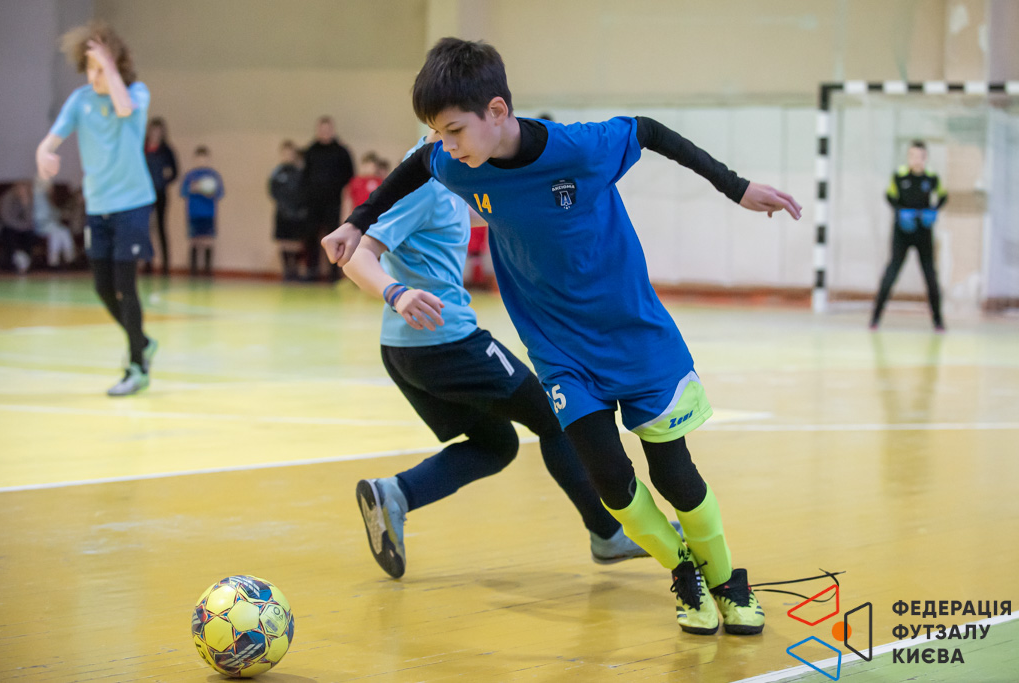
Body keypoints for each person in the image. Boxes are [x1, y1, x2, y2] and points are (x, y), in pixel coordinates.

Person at [324, 38, 802, 636]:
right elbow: (418, 165)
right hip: (559, 352)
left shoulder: (581, 149)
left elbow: (648, 130)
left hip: (635, 336)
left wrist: (734, 186)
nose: (444, 146)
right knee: (611, 484)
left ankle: (728, 580)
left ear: (497, 111)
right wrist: (357, 222)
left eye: (453, 131)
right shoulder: (453, 161)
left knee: (675, 475)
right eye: (438, 134)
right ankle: (685, 573)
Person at [344, 132, 675, 579]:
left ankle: (395, 494)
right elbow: (357, 254)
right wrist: (396, 293)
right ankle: (608, 533)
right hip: (445, 344)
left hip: (412, 349)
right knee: (556, 416)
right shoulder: (423, 184)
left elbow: (489, 212)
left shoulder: (452, 171)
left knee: (495, 445)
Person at [35, 21, 158, 396]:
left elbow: (123, 108)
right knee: (103, 287)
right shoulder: (80, 101)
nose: (94, 76)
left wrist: (109, 65)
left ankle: (137, 367)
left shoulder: (136, 93)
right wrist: (44, 153)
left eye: (101, 68)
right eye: (90, 68)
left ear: (117, 66)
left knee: (126, 286)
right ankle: (142, 341)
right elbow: (51, 139)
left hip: (132, 205)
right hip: (98, 207)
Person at [870, 141, 948, 331]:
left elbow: (943, 196)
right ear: (908, 157)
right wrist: (900, 212)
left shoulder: (932, 178)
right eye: (912, 156)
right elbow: (889, 196)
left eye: (920, 156)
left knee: (930, 275)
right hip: (903, 231)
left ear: (925, 157)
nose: (916, 160)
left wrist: (933, 211)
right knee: (892, 272)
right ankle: (875, 319)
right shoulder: (899, 176)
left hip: (923, 231)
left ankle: (938, 322)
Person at [302, 116, 354, 281]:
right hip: (313, 203)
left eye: (327, 129)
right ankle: (311, 271)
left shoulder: (342, 151)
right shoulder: (310, 151)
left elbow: (349, 176)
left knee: (334, 237)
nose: (325, 132)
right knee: (311, 237)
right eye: (322, 129)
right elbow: (304, 176)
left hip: (333, 203)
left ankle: (334, 274)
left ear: (332, 130)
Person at [180, 146, 225, 277]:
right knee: (194, 240)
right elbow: (182, 192)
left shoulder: (213, 175)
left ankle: (207, 271)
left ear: (208, 159)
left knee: (208, 240)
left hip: (208, 213)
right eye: (199, 159)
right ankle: (193, 272)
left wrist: (209, 191)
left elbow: (220, 193)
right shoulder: (190, 175)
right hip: (193, 213)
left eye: (204, 159)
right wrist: (193, 189)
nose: (201, 161)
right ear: (195, 159)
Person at [144, 117, 178, 275]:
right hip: (144, 194)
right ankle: (147, 262)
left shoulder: (166, 150)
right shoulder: (142, 148)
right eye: (153, 130)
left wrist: (165, 180)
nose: (156, 133)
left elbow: (175, 172)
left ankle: (165, 264)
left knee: (160, 227)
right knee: (146, 227)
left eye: (159, 131)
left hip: (160, 192)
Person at [269, 140, 307, 281]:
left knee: (295, 243)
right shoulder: (277, 172)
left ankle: (294, 271)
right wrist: (283, 206)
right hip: (282, 213)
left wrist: (300, 208)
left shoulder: (300, 172)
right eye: (285, 153)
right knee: (283, 242)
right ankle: (286, 271)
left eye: (290, 153)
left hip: (297, 213)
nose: (288, 156)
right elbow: (272, 191)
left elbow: (304, 192)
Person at [32, 176, 77, 268]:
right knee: (60, 232)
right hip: (41, 226)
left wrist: (62, 214)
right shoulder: (39, 198)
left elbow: (53, 212)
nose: (52, 188)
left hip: (50, 225)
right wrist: (59, 215)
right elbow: (43, 216)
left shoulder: (46, 198)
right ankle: (64, 257)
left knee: (61, 232)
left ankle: (59, 258)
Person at [0, 182, 40, 274]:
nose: (22, 191)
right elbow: (6, 218)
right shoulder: (8, 198)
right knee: (10, 234)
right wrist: (21, 227)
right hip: (8, 227)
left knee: (31, 234)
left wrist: (26, 205)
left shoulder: (30, 199)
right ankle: (17, 260)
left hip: (23, 228)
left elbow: (31, 220)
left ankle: (25, 261)